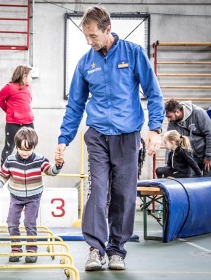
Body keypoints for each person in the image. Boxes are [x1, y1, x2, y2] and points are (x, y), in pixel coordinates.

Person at [54, 5, 165, 271]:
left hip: (127, 137)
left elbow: (154, 92)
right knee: (97, 191)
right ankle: (95, 249)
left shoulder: (134, 53)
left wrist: (155, 129)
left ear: (108, 30)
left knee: (123, 195)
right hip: (98, 137)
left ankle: (117, 250)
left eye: (93, 36)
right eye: (86, 37)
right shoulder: (85, 63)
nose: (89, 42)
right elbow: (75, 105)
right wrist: (63, 138)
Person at [0, 127, 64, 263]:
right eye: (21, 149)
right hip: (16, 196)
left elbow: (50, 171)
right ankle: (16, 248)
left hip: (33, 197)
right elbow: (2, 175)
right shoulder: (10, 160)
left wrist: (58, 166)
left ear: (34, 147)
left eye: (28, 149)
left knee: (29, 222)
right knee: (12, 222)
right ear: (16, 146)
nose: (25, 152)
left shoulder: (40, 160)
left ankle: (31, 249)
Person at [0, 65, 34, 166]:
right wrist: (8, 111)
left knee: (29, 145)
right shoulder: (9, 87)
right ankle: (4, 171)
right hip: (13, 123)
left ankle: (24, 168)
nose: (31, 79)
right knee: (9, 147)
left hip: (28, 122)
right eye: (30, 76)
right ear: (24, 76)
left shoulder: (28, 88)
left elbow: (28, 103)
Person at [165, 99, 211, 177]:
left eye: (169, 116)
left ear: (177, 111)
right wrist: (167, 164)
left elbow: (209, 133)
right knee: (192, 184)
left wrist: (209, 156)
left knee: (207, 182)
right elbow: (170, 143)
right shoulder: (172, 123)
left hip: (206, 155)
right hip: (190, 157)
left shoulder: (198, 113)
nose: (169, 120)